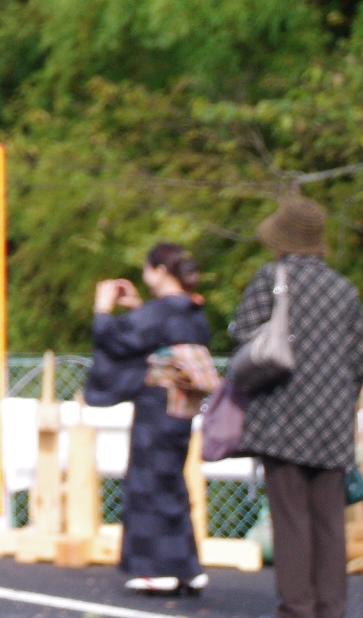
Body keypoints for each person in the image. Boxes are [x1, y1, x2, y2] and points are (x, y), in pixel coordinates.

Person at [230, 195, 363, 618]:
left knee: (290, 522)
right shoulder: (345, 290)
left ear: (282, 238)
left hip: (283, 419)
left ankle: (296, 610)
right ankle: (332, 609)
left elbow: (243, 337)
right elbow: (358, 359)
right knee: (329, 523)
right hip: (333, 424)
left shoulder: (273, 278)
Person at [85, 245, 214, 596]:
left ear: (158, 270)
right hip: (182, 408)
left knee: (148, 485)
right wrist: (140, 307)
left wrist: (102, 309)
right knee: (171, 483)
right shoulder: (193, 309)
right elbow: (155, 334)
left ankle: (156, 569)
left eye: (147, 270)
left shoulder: (161, 312)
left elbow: (115, 339)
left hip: (157, 406)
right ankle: (186, 567)